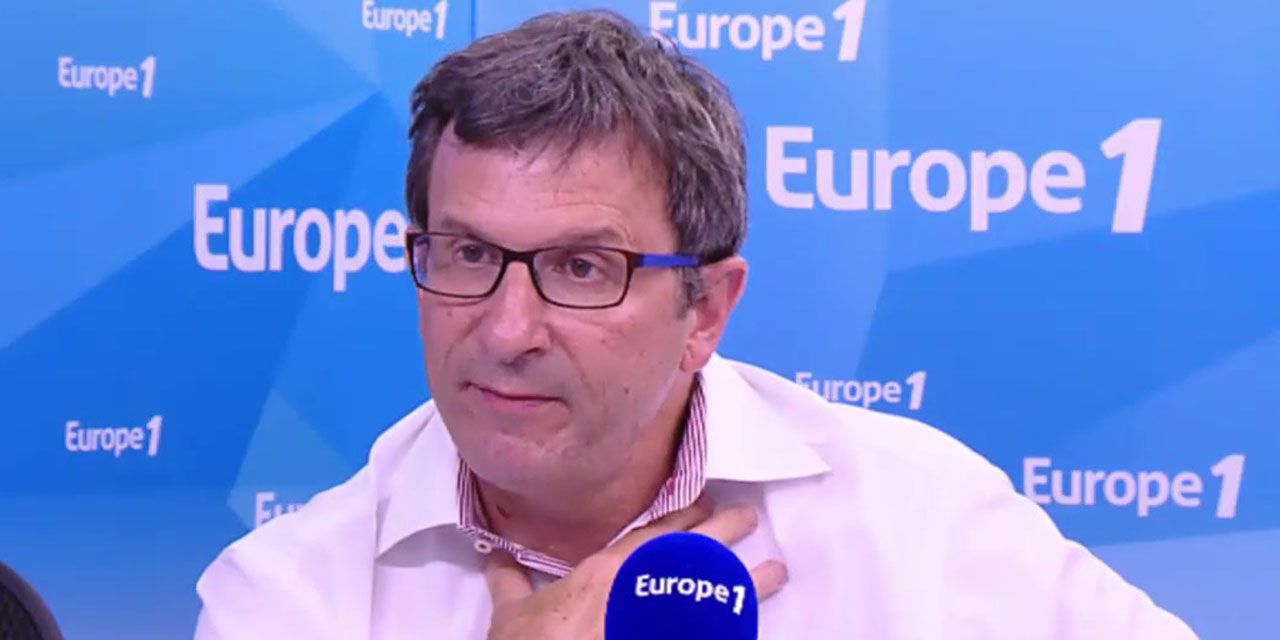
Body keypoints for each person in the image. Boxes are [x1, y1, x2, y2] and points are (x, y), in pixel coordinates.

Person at [194, 10, 1197, 640]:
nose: (505, 329)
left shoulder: (923, 521)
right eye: (466, 254)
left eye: (581, 268)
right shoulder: (288, 597)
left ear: (705, 310)